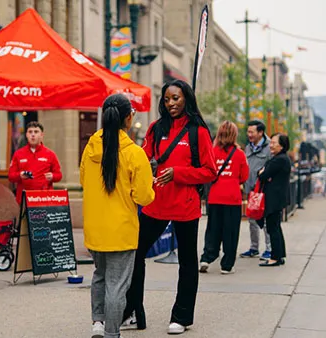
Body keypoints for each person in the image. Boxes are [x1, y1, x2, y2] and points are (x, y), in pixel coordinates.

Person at [122, 80, 216, 335]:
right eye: (166, 99)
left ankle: (182, 316)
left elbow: (210, 171)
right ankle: (132, 311)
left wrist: (178, 173)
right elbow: (142, 158)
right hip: (156, 203)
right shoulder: (156, 128)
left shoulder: (199, 131)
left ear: (186, 98)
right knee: (135, 253)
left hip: (185, 206)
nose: (171, 103)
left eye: (176, 98)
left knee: (187, 262)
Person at [80, 94, 155, 338]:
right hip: (121, 230)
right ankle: (112, 333)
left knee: (100, 276)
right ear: (128, 118)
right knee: (117, 285)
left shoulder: (90, 147)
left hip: (95, 227)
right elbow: (144, 197)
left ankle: (98, 324)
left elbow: (84, 181)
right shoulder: (135, 153)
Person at [199, 121, 249, 274]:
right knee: (231, 231)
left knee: (213, 228)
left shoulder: (212, 152)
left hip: (214, 196)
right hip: (232, 198)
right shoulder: (240, 154)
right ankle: (227, 265)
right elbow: (244, 177)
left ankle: (207, 257)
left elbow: (206, 173)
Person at [8, 121, 62, 205]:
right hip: (24, 200)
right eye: (30, 132)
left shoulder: (50, 154)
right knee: (24, 218)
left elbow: (59, 175)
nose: (33, 135)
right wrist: (20, 175)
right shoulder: (18, 154)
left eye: (36, 132)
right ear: (26, 135)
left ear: (41, 135)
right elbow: (11, 176)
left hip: (43, 200)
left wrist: (52, 176)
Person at [258, 133, 291, 267]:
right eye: (270, 142)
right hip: (277, 197)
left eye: (274, 143)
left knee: (272, 227)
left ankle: (275, 257)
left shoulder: (279, 159)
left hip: (274, 198)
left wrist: (264, 173)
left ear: (282, 145)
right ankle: (279, 255)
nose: (271, 145)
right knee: (276, 226)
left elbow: (263, 174)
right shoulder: (281, 158)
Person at [240, 120, 272, 261]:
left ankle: (269, 249)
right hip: (251, 190)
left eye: (252, 132)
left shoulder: (270, 147)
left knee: (265, 220)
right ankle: (254, 248)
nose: (249, 135)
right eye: (248, 132)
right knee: (252, 219)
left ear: (260, 132)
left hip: (264, 190)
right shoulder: (248, 147)